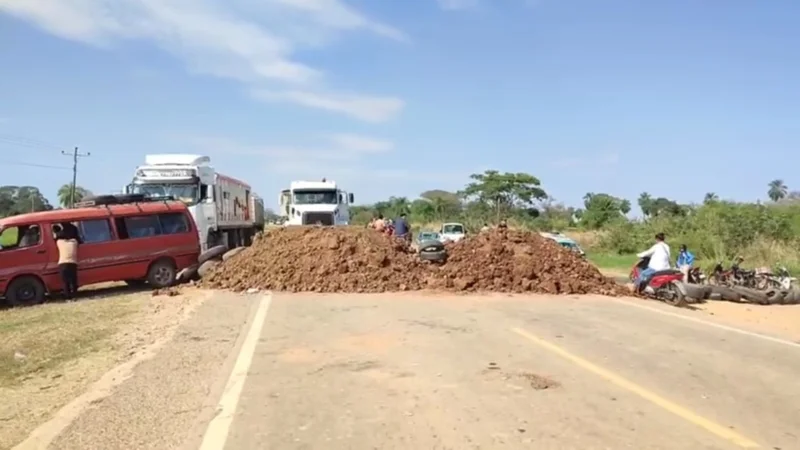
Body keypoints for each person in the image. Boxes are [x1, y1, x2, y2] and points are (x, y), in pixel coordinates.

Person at [55, 222, 80, 300]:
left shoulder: (59, 242)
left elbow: (57, 236)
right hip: (73, 262)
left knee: (65, 282)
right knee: (73, 281)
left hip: (63, 263)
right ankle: (74, 295)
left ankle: (67, 297)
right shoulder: (75, 242)